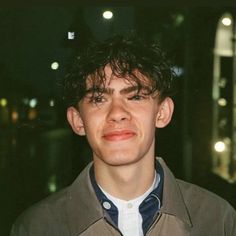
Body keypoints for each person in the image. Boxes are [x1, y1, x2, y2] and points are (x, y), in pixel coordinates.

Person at [11, 33, 236, 236]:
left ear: (162, 113)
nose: (117, 114)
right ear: (78, 121)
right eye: (99, 99)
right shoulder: (36, 227)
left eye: (136, 96)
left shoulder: (218, 219)